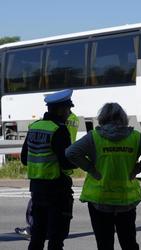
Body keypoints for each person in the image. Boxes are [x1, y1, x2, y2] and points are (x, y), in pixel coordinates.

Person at [66, 102, 141, 250]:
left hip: (100, 199)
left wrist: (90, 168)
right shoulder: (135, 138)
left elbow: (70, 153)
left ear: (102, 118)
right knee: (129, 242)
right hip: (126, 200)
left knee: (104, 244)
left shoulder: (94, 137)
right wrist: (138, 168)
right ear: (123, 118)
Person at [21, 89, 77, 249]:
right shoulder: (59, 129)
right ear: (60, 110)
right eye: (68, 109)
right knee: (56, 237)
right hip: (57, 190)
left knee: (37, 235)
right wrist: (81, 161)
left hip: (37, 190)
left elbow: (25, 159)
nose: (69, 113)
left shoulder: (34, 127)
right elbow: (65, 163)